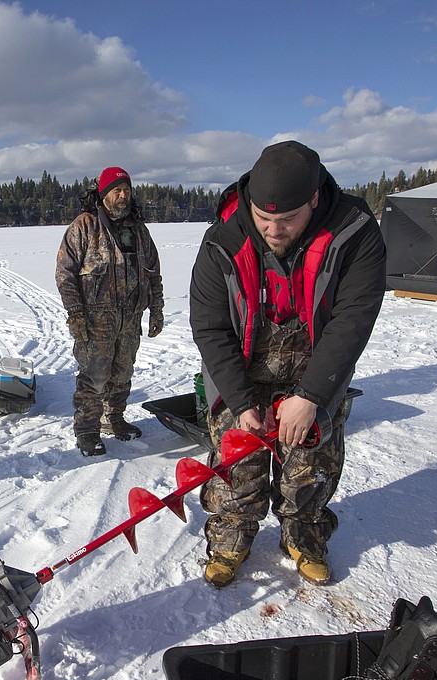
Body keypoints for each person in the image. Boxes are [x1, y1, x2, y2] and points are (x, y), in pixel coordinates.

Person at [189, 140, 385, 587]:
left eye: (288, 220)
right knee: (237, 463)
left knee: (309, 465)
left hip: (314, 368)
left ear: (314, 199)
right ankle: (231, 536)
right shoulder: (223, 239)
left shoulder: (354, 231)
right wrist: (240, 402)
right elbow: (210, 327)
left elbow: (352, 320)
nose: (274, 231)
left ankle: (303, 534)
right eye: (264, 219)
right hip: (241, 371)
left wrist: (313, 395)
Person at [55, 166, 165, 457]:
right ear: (103, 194)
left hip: (130, 318)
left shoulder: (139, 230)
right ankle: (87, 430)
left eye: (126, 189)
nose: (123, 195)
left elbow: (153, 273)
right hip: (95, 321)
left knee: (122, 373)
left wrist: (157, 309)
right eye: (117, 190)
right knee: (93, 377)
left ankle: (113, 418)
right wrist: (76, 313)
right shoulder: (84, 227)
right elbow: (65, 274)